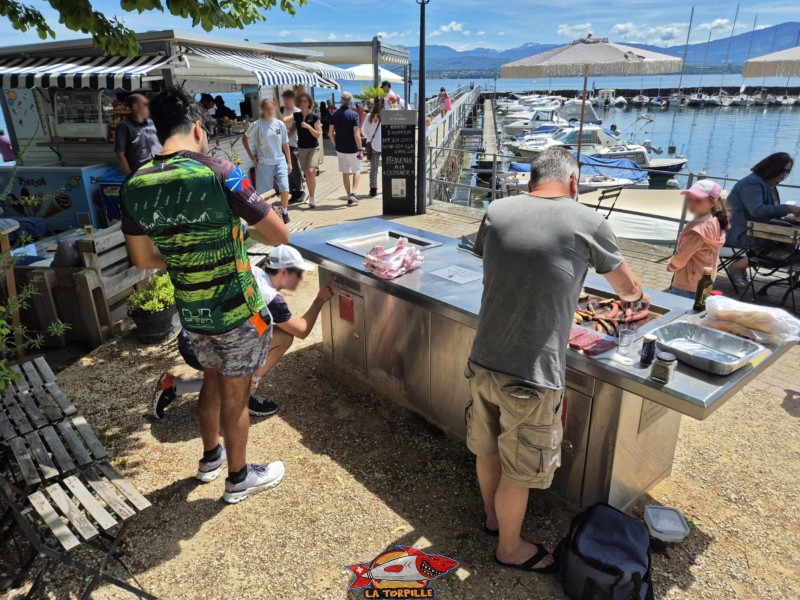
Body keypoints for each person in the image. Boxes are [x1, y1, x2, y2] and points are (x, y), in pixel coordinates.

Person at [468, 147, 650, 574]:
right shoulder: (588, 220)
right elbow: (627, 290)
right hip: (533, 372)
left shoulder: (497, 210)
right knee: (519, 469)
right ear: (573, 182)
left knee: (488, 449)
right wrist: (640, 294)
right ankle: (509, 548)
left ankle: (493, 519)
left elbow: (503, 261)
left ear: (532, 179)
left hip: (483, 357)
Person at [121, 87, 289, 503]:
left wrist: (185, 254)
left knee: (211, 381)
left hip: (193, 312)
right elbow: (278, 233)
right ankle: (238, 478)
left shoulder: (135, 183)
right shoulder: (220, 170)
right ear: (198, 128)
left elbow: (142, 258)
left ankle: (211, 458)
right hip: (236, 310)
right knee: (237, 394)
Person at [153, 246, 333, 418]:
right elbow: (302, 331)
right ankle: (238, 392)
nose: (301, 278)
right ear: (284, 272)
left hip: (191, 336)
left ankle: (180, 386)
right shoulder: (270, 297)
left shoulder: (253, 272)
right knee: (281, 340)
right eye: (298, 273)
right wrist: (319, 300)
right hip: (200, 348)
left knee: (278, 336)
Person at [726, 152, 800, 287]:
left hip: (755, 229)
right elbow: (756, 210)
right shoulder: (752, 183)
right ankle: (736, 267)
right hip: (738, 231)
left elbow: (768, 210)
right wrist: (788, 208)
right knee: (778, 245)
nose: (784, 174)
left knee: (788, 243)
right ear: (772, 167)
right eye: (782, 170)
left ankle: (743, 265)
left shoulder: (768, 184)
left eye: (787, 171)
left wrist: (787, 215)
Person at [666, 180, 728, 299]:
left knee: (679, 309)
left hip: (686, 283)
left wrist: (671, 264)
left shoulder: (695, 231)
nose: (692, 204)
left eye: (698, 200)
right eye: (690, 199)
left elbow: (681, 257)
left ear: (712, 203)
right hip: (706, 280)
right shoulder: (715, 221)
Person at [243, 99, 293, 224]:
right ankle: (269, 216)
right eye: (267, 109)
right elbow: (245, 139)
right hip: (264, 163)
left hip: (280, 161)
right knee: (266, 193)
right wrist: (252, 157)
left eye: (272, 108)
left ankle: (284, 211)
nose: (270, 111)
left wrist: (289, 162)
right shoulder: (257, 124)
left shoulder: (280, 124)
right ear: (263, 110)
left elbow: (285, 144)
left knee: (285, 188)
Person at [328, 91, 363, 206]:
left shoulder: (335, 114)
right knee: (357, 170)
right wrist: (360, 149)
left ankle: (349, 196)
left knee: (345, 172)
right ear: (350, 101)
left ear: (341, 101)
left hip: (340, 148)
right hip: (352, 148)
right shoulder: (354, 115)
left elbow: (330, 133)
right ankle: (354, 192)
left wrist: (335, 145)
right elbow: (356, 133)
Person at [114, 94, 161, 175]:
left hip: (160, 168)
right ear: (135, 107)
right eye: (145, 104)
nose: (149, 107)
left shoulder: (153, 122)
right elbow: (120, 154)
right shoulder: (124, 127)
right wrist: (130, 175)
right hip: (141, 173)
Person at [293, 92, 322, 208]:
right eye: (301, 101)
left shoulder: (314, 117)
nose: (302, 103)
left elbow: (318, 134)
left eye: (305, 101)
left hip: (313, 148)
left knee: (310, 172)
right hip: (301, 148)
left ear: (309, 103)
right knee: (307, 174)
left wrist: (309, 127)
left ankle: (312, 198)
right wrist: (276, 108)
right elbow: (283, 119)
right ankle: (310, 195)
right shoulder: (297, 115)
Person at [280, 90, 305, 204]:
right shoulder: (282, 110)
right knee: (287, 168)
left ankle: (301, 190)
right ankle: (293, 192)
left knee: (295, 167)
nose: (286, 101)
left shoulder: (297, 111)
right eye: (284, 98)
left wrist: (290, 130)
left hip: (293, 143)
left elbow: (293, 127)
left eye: (288, 99)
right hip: (283, 143)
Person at [360, 99, 383, 198]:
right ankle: (388, 187)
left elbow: (363, 130)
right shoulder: (386, 115)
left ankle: (373, 189)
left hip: (373, 144)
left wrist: (369, 138)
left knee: (373, 169)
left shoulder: (369, 116)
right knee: (388, 168)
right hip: (386, 144)